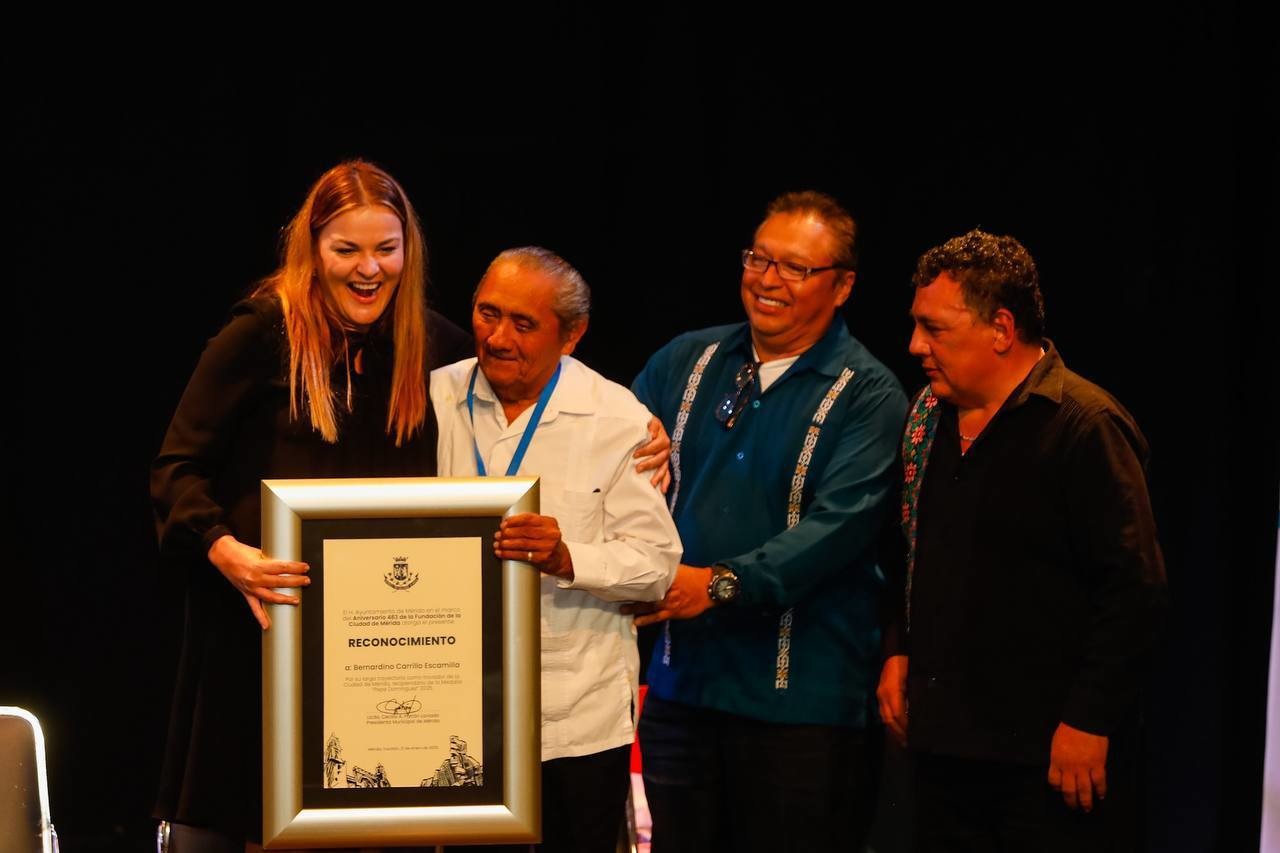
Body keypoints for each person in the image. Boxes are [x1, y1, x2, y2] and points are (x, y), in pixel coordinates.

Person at [150, 160, 473, 852]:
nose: (368, 269)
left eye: (386, 249)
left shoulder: (436, 345)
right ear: (313, 247)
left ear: (407, 251)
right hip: (266, 634)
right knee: (254, 821)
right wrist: (227, 552)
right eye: (346, 249)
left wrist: (641, 434)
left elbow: (526, 407)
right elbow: (176, 470)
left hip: (386, 650)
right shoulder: (262, 334)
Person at [627, 191, 907, 852]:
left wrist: (716, 584)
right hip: (681, 692)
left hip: (802, 708)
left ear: (842, 286)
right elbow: (607, 463)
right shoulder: (685, 362)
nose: (768, 280)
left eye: (796, 268)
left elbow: (837, 529)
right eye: (759, 259)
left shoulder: (868, 392)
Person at [877, 229, 1167, 851]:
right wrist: (898, 648)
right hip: (944, 753)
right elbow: (908, 551)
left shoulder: (1084, 426)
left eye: (934, 329)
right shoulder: (927, 414)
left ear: (1002, 328)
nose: (915, 346)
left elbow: (1134, 588)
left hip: (1046, 762)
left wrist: (1088, 719)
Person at [431, 246, 682, 853]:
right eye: (488, 314)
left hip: (573, 719)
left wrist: (570, 558)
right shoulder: (433, 396)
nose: (497, 337)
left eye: (523, 324)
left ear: (571, 336)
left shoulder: (617, 417)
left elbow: (655, 565)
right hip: (452, 706)